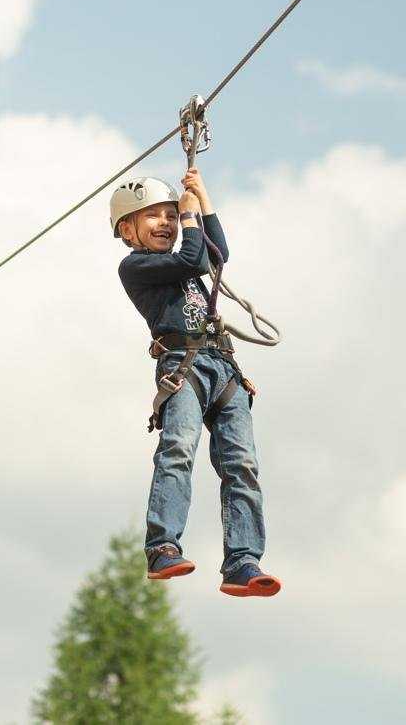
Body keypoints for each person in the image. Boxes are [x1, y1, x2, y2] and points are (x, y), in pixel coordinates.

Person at [108, 167, 280, 597]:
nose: (166, 222)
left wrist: (203, 202)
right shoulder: (137, 266)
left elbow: (215, 254)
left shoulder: (185, 252)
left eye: (170, 214)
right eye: (154, 216)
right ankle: (163, 545)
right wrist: (189, 218)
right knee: (178, 450)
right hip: (181, 364)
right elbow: (194, 259)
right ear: (128, 230)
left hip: (221, 366)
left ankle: (243, 560)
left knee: (242, 465)